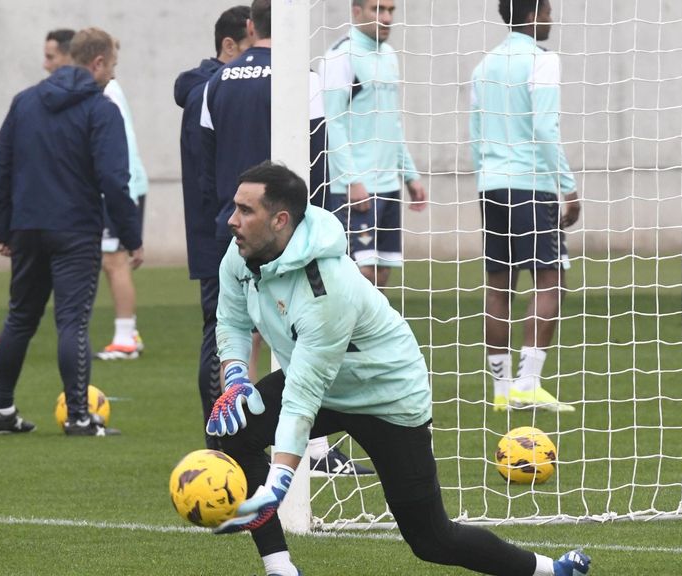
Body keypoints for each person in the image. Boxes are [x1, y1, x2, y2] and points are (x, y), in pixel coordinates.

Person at [206, 161, 591, 576]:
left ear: (280, 220)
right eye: (236, 207)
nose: (232, 220)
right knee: (236, 428)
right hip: (322, 383)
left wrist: (278, 482)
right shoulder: (243, 251)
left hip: (385, 396)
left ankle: (550, 571)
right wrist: (236, 378)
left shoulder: (327, 287)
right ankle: (280, 568)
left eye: (246, 210)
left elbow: (302, 397)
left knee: (431, 539)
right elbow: (231, 320)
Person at [200, 0, 368, 476]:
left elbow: (201, 162)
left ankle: (229, 448)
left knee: (230, 333)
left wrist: (215, 225)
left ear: (250, 25)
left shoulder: (217, 81)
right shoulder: (304, 79)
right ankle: (311, 450)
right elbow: (317, 159)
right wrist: (323, 229)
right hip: (288, 235)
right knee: (302, 335)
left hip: (230, 227)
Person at [0, 27, 142, 437]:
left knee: (20, 318)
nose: (113, 75)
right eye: (113, 66)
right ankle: (78, 416)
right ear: (98, 63)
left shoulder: (25, 102)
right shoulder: (101, 109)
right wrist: (132, 236)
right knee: (72, 321)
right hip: (75, 230)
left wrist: (4, 229)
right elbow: (114, 180)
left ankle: (1, 409)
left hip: (27, 227)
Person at [471, 0, 580, 412]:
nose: (552, 18)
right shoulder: (542, 60)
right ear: (533, 14)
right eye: (548, 10)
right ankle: (528, 383)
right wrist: (567, 187)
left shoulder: (484, 66)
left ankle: (502, 391)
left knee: (499, 284)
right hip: (531, 185)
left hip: (491, 185)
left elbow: (475, 132)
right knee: (551, 279)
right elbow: (545, 127)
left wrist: (486, 176)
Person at [175, 4, 254, 449]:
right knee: (220, 332)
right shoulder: (207, 92)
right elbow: (205, 175)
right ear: (229, 45)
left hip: (231, 229)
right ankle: (218, 441)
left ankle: (250, 437)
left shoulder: (218, 88)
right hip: (219, 233)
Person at [321, 0, 427, 288]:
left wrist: (410, 175)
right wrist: (352, 179)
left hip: (388, 185)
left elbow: (392, 123)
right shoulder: (340, 56)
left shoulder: (389, 55)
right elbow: (333, 122)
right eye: (378, 10)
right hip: (356, 187)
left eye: (391, 10)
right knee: (360, 272)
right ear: (356, 12)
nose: (387, 18)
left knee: (381, 273)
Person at [95, 45, 150, 361]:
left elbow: (122, 144)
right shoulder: (105, 91)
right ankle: (129, 332)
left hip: (123, 187)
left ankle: (126, 338)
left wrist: (121, 190)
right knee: (110, 260)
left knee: (114, 260)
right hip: (121, 185)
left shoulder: (108, 92)